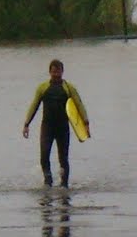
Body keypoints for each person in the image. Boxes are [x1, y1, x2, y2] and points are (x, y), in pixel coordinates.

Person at [22, 59, 88, 188]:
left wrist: (86, 124)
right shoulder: (43, 88)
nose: (56, 74)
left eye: (58, 71)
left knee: (63, 158)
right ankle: (48, 182)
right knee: (44, 155)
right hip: (47, 127)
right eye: (53, 72)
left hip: (63, 127)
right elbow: (34, 105)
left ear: (62, 72)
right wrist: (26, 124)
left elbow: (79, 105)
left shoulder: (69, 88)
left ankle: (64, 185)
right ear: (49, 72)